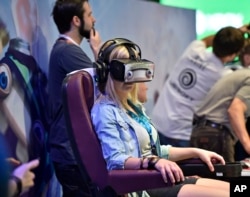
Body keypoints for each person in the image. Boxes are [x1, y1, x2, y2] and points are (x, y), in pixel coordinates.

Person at [91, 38, 229, 197]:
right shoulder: (105, 111)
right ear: (105, 72)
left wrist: (196, 152)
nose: (130, 77)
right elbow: (116, 160)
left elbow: (156, 151)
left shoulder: (132, 107)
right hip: (142, 186)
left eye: (134, 69)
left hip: (158, 178)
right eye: (121, 69)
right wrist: (153, 162)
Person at [151, 25, 249, 148]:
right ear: (232, 55)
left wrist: (237, 31)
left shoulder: (193, 49)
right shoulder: (223, 76)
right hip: (183, 134)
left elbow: (206, 41)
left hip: (157, 124)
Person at [48, 0, 101, 196]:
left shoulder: (63, 50)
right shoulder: (68, 51)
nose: (93, 19)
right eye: (89, 15)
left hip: (67, 153)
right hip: (70, 154)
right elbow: (105, 85)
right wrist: (97, 51)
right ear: (77, 20)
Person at [190, 68, 250, 162]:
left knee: (201, 175)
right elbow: (235, 110)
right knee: (226, 175)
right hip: (217, 135)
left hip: (201, 131)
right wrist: (248, 145)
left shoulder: (241, 74)